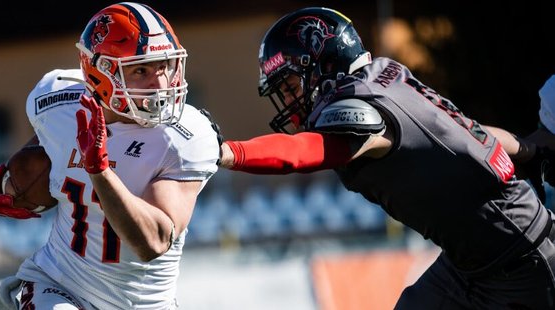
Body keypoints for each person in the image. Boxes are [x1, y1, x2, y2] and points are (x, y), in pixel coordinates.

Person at [215, 7, 555, 309]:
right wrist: (530, 147)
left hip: (519, 260)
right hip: (475, 259)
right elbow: (465, 129)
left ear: (324, 65)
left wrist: (229, 152)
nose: (289, 103)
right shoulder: (383, 78)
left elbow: (309, 151)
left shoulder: (362, 108)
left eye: (291, 87)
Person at [0, 2, 220, 309]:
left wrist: (100, 170)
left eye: (164, 65)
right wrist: (10, 184)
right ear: (101, 75)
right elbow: (45, 151)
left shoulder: (185, 134)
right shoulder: (56, 99)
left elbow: (153, 242)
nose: (160, 83)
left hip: (145, 303)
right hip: (60, 282)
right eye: (141, 69)